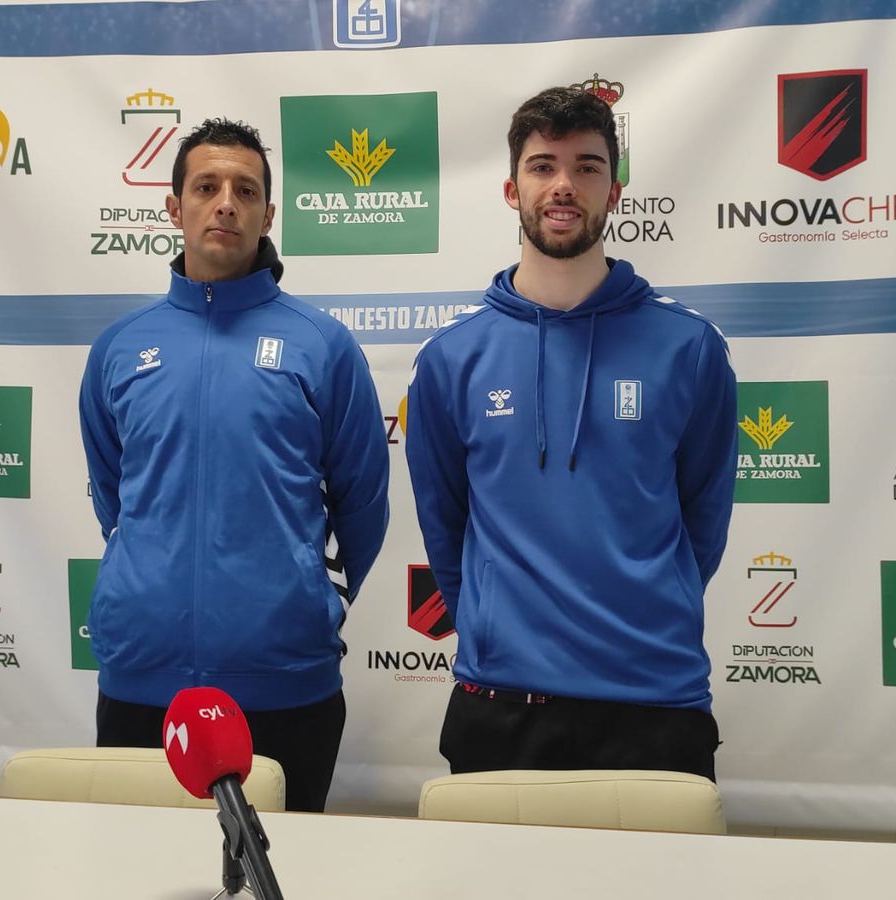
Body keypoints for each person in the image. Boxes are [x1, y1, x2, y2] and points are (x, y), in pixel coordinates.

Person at [404, 87, 736, 780]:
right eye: (543, 165)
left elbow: (702, 520)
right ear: (510, 187)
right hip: (501, 699)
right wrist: (494, 626)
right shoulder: (450, 359)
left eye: (586, 167)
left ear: (615, 191)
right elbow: (444, 524)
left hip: (656, 699)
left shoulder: (689, 347)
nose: (563, 185)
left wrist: (649, 607)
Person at [79, 118, 389, 812]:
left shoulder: (322, 346)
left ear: (268, 214)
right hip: (141, 686)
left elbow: (363, 501)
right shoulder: (120, 349)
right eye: (206, 186)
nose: (226, 202)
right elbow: (114, 499)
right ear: (173, 207)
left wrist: (310, 599)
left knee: (281, 878)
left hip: (285, 686)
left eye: (245, 190)